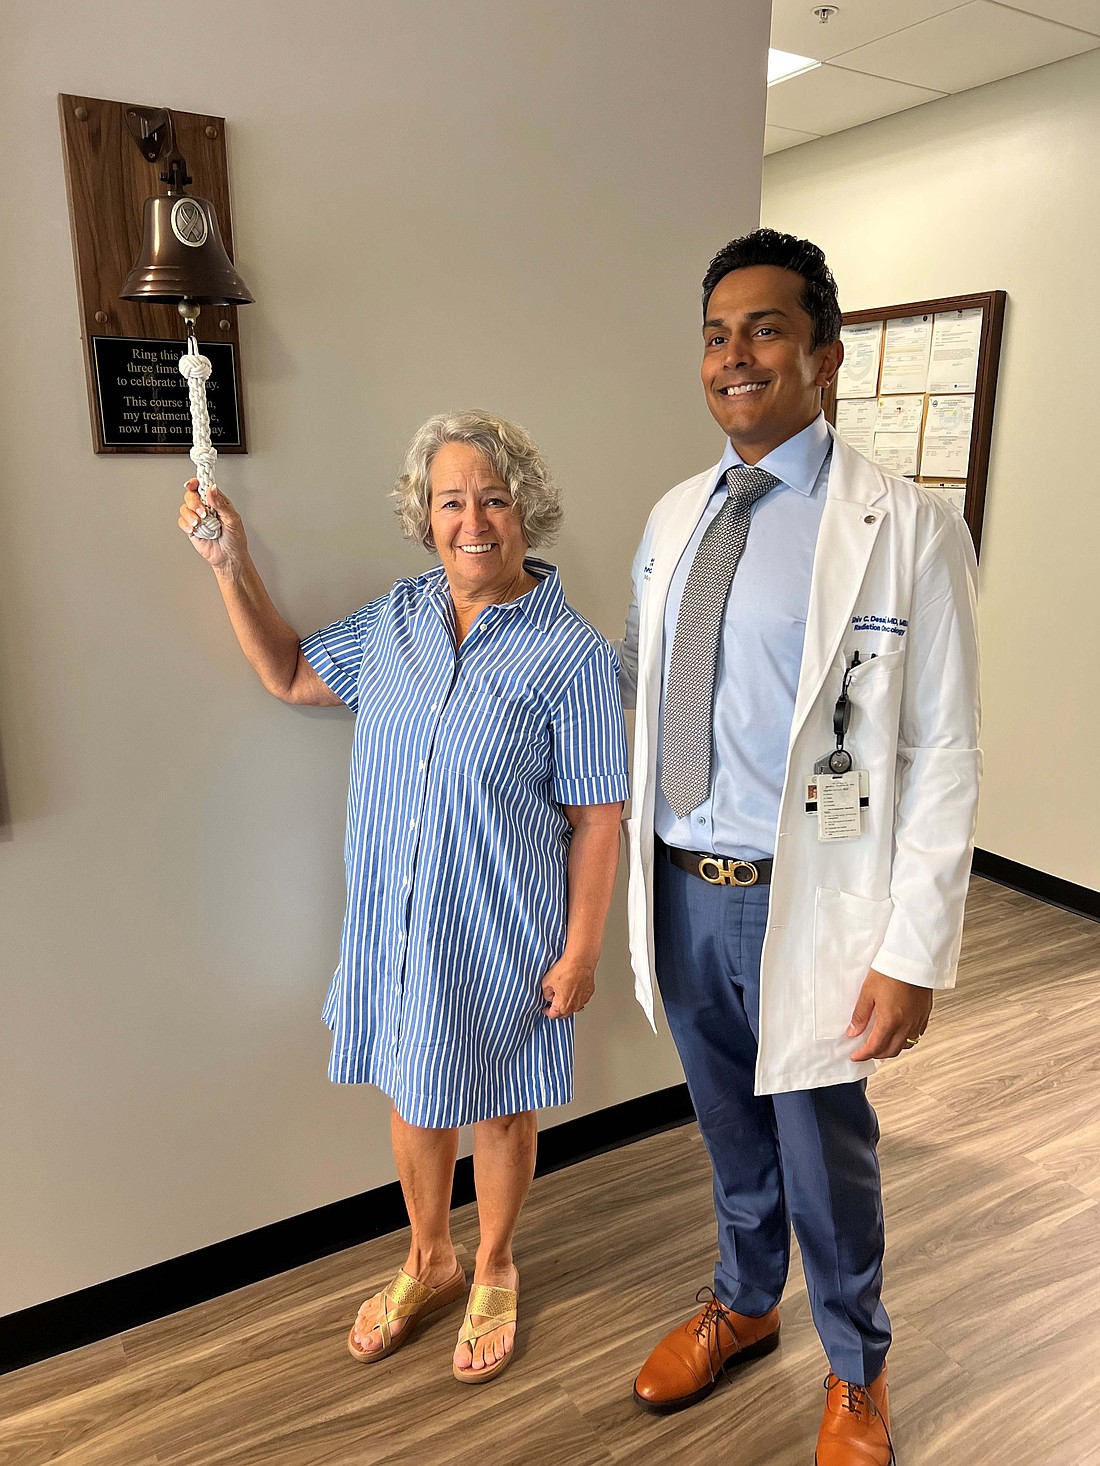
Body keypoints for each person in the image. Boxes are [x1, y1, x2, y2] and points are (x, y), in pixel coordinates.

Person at [619, 230, 980, 1464]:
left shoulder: (905, 526)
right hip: (681, 883)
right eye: (715, 335)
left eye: (764, 329)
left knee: (823, 1149)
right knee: (727, 1126)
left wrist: (911, 949)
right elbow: (648, 687)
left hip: (808, 898)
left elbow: (942, 750)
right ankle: (741, 1299)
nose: (734, 356)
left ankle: (855, 1366)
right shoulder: (674, 516)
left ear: (823, 355)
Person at [178, 410, 628, 1384]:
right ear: (425, 517)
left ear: (527, 512)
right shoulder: (394, 621)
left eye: (494, 499)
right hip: (396, 920)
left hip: (505, 924)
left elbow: (600, 818)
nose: (473, 521)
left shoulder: (574, 657)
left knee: (500, 1104)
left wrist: (582, 949)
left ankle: (494, 1264)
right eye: (450, 501)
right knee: (414, 1092)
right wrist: (230, 564)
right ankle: (430, 1259)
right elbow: (289, 672)